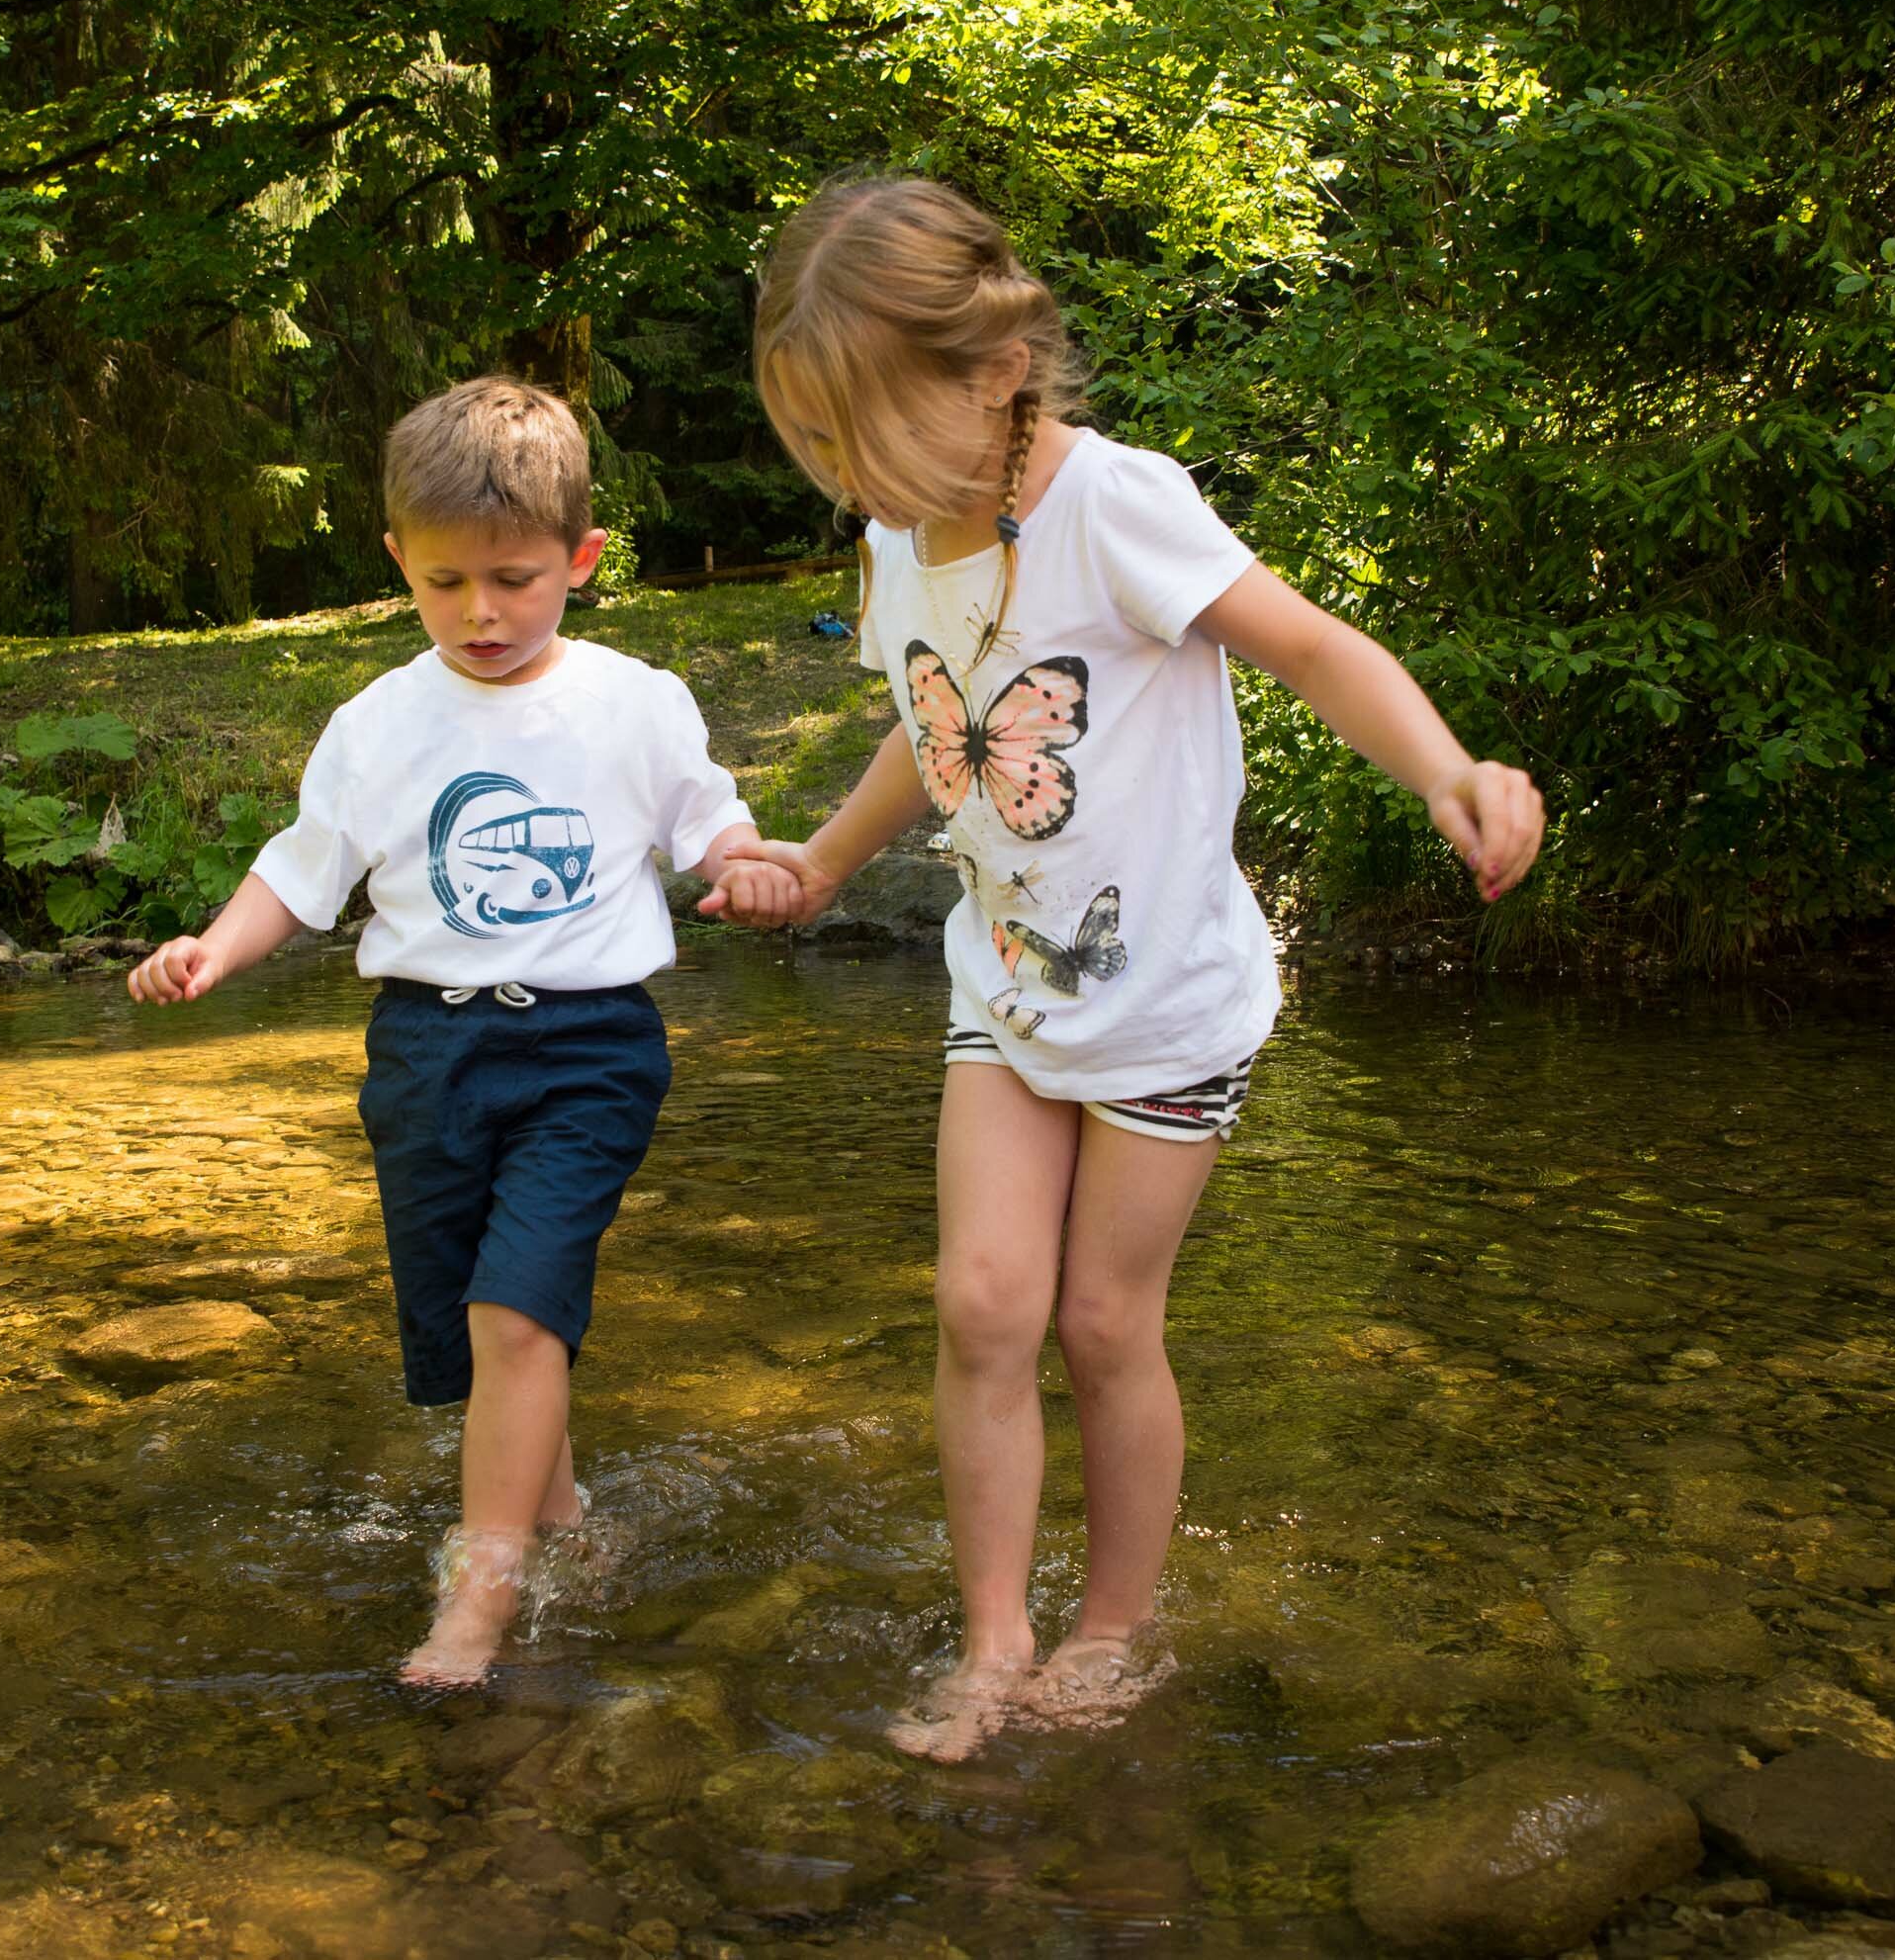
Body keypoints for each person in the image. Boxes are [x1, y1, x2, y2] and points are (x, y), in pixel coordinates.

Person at [725, 177, 1546, 1758]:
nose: (850, 480)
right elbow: (931, 717)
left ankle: (1114, 1629)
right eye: (817, 444)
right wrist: (826, 858)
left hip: (1164, 999)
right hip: (1007, 988)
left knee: (1103, 1324)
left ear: (999, 366)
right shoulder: (905, 535)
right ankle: (989, 1638)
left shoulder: (1119, 504)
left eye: (868, 438)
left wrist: (1445, 770)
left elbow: (1309, 642)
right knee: (980, 1304)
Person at [128, 376, 803, 1685]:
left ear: (582, 560)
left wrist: (749, 860)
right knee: (471, 1335)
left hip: (588, 1047)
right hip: (425, 1055)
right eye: (444, 584)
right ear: (398, 560)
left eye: (513, 577)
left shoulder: (633, 699)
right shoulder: (378, 722)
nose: (479, 613)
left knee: (513, 1310)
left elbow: (705, 816)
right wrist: (216, 940)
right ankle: (560, 1514)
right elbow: (302, 869)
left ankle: (476, 1598)